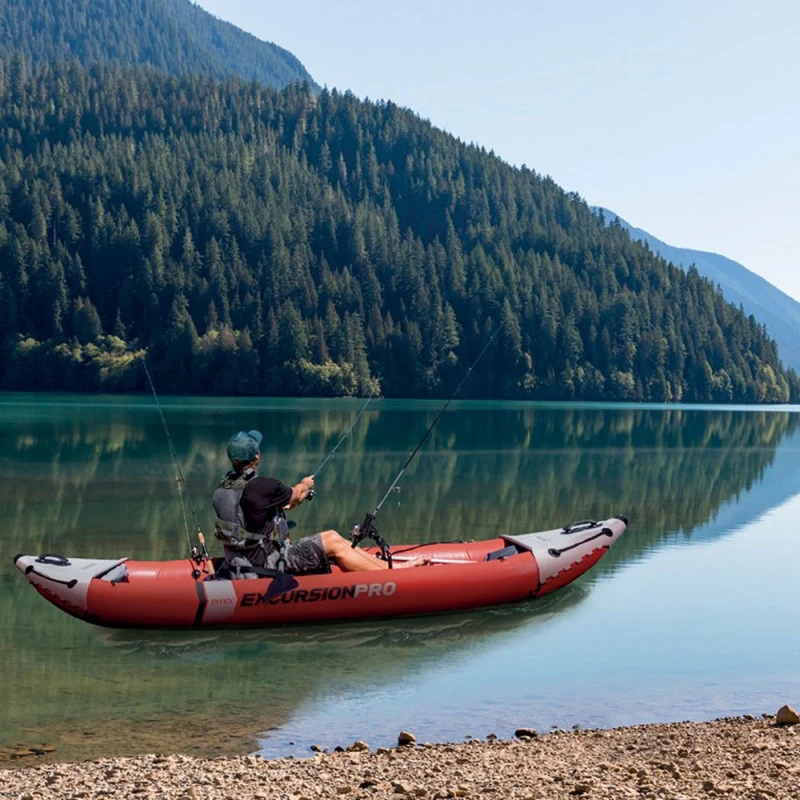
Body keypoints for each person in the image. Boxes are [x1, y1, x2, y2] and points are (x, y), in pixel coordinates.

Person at [212, 429, 427, 578]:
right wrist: (306, 484)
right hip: (266, 562)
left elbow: (254, 513)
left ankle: (391, 568)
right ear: (256, 456)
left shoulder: (223, 488)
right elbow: (296, 495)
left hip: (240, 561)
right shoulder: (264, 486)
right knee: (332, 540)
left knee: (337, 539)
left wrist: (286, 505)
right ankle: (394, 578)